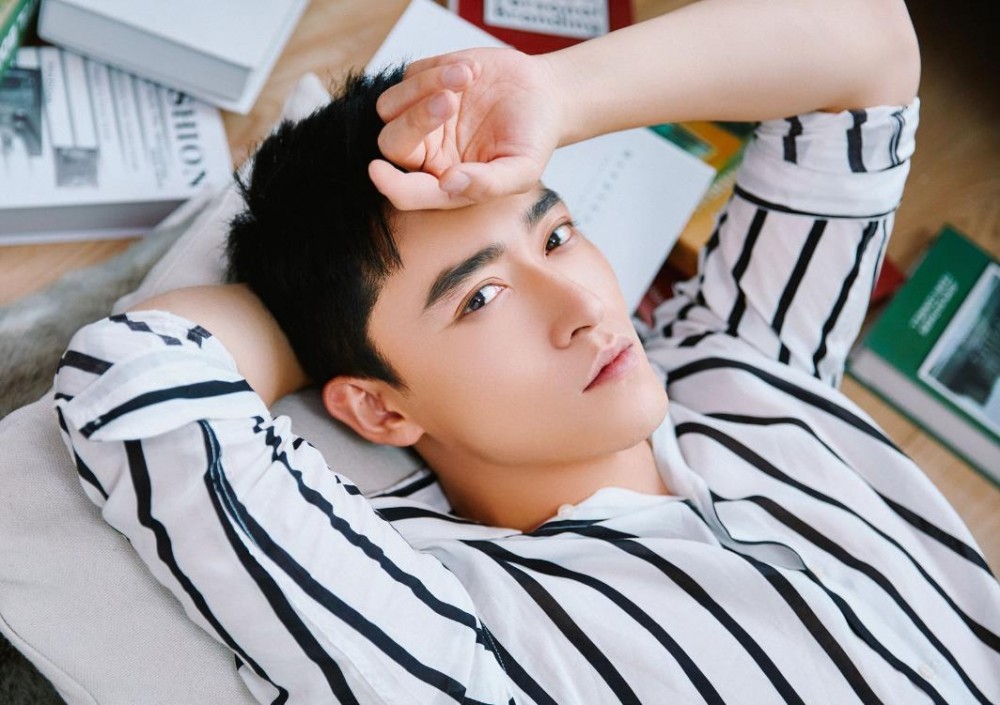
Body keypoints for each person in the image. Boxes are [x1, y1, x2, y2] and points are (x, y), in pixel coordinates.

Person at [53, 0, 999, 703]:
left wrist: (554, 92)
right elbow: (137, 377)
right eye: (481, 298)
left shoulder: (739, 358)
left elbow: (869, 46)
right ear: (378, 408)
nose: (585, 306)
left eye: (556, 235)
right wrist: (315, 332)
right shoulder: (466, 641)